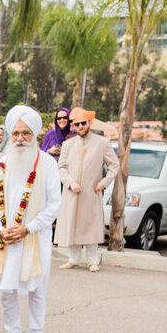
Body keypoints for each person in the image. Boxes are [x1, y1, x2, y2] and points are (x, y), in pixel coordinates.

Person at [0, 105, 62, 333]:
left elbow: (54, 205)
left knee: (37, 289)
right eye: (15, 133)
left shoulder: (47, 164)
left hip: (35, 237)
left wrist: (28, 228)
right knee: (7, 288)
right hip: (6, 238)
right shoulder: (1, 165)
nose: (19, 139)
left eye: (26, 134)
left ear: (35, 135)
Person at [57, 108, 118, 272]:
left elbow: (114, 165)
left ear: (89, 123)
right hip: (72, 192)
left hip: (92, 191)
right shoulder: (68, 144)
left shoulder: (102, 143)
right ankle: (73, 259)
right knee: (72, 224)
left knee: (90, 225)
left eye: (83, 123)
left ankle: (93, 260)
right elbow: (61, 167)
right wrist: (69, 182)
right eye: (76, 124)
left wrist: (104, 183)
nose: (80, 126)